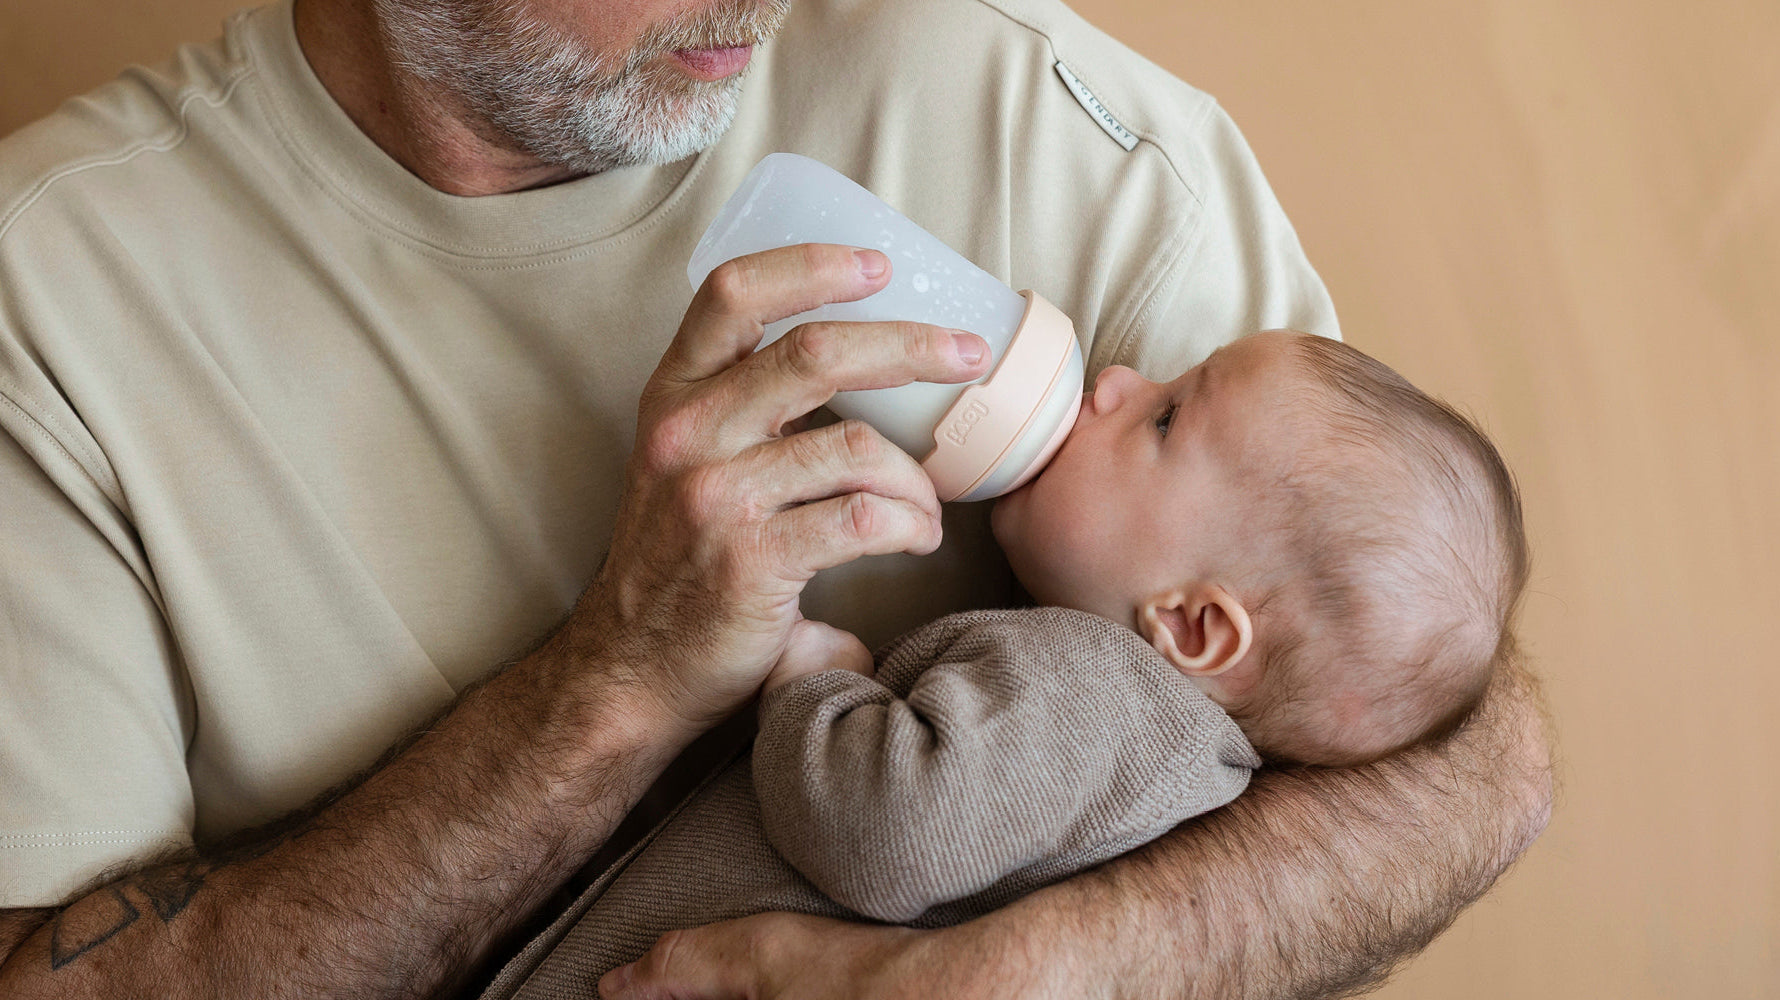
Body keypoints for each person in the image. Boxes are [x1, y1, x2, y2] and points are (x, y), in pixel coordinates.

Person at [0, 0, 1551, 996]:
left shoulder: (1032, 107)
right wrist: (615, 683)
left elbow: (1460, 747)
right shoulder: (54, 301)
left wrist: (1022, 973)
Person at [475, 329, 1530, 998]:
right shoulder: (1151, 744)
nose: (1115, 380)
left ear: (1194, 629)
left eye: (1165, 417)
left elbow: (889, 830)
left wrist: (814, 682)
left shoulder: (1100, 695)